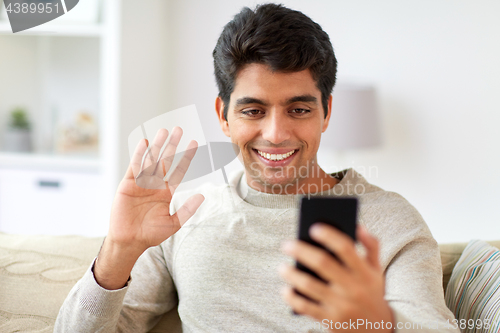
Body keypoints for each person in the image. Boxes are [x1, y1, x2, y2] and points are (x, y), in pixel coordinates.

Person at [55, 4, 459, 332]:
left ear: (327, 112)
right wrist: (118, 253)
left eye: (298, 109)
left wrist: (371, 325)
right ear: (224, 115)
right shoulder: (181, 221)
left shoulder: (390, 223)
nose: (276, 133)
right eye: (253, 110)